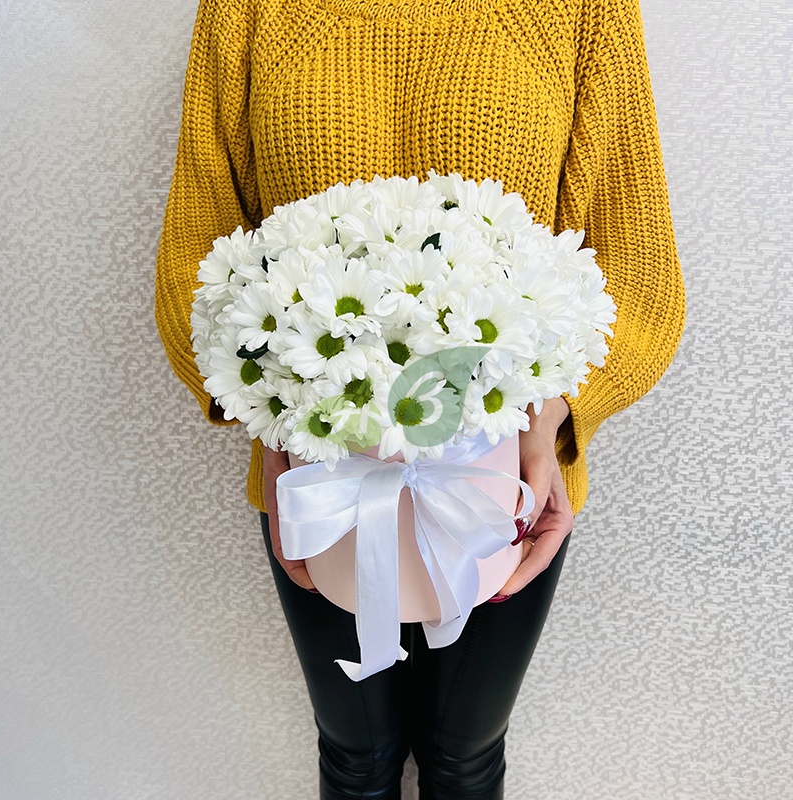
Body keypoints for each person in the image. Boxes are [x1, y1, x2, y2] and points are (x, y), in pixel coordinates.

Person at [155, 0, 686, 797]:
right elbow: (194, 256)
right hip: (317, 477)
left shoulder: (586, 11)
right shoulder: (247, 11)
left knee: (464, 758)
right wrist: (266, 417)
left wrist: (553, 417)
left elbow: (639, 268)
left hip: (506, 477)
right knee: (355, 756)